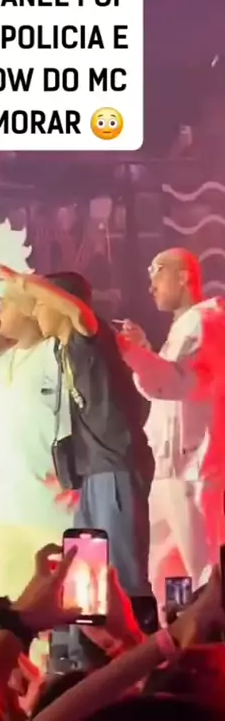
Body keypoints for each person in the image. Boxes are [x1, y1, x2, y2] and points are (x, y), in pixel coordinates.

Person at [0, 265, 154, 600]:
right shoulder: (61, 349)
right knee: (88, 575)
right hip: (93, 472)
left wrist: (19, 280)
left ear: (61, 303)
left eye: (41, 303)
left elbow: (78, 313)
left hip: (115, 466)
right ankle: (94, 635)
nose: (35, 311)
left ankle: (140, 632)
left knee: (122, 576)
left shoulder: (89, 339)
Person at [0, 286, 74, 603]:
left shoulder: (55, 353)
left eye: (5, 304)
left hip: (54, 511)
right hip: (10, 515)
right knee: (11, 609)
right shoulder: (2, 361)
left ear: (29, 309)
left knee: (60, 604)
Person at [119, 248, 221, 599]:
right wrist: (144, 350)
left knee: (204, 577)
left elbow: (174, 383)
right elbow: (163, 392)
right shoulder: (184, 326)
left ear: (184, 276)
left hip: (194, 473)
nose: (150, 285)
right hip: (169, 473)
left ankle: (207, 635)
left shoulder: (206, 321)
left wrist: (129, 351)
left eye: (158, 271)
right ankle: (172, 633)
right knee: (166, 578)